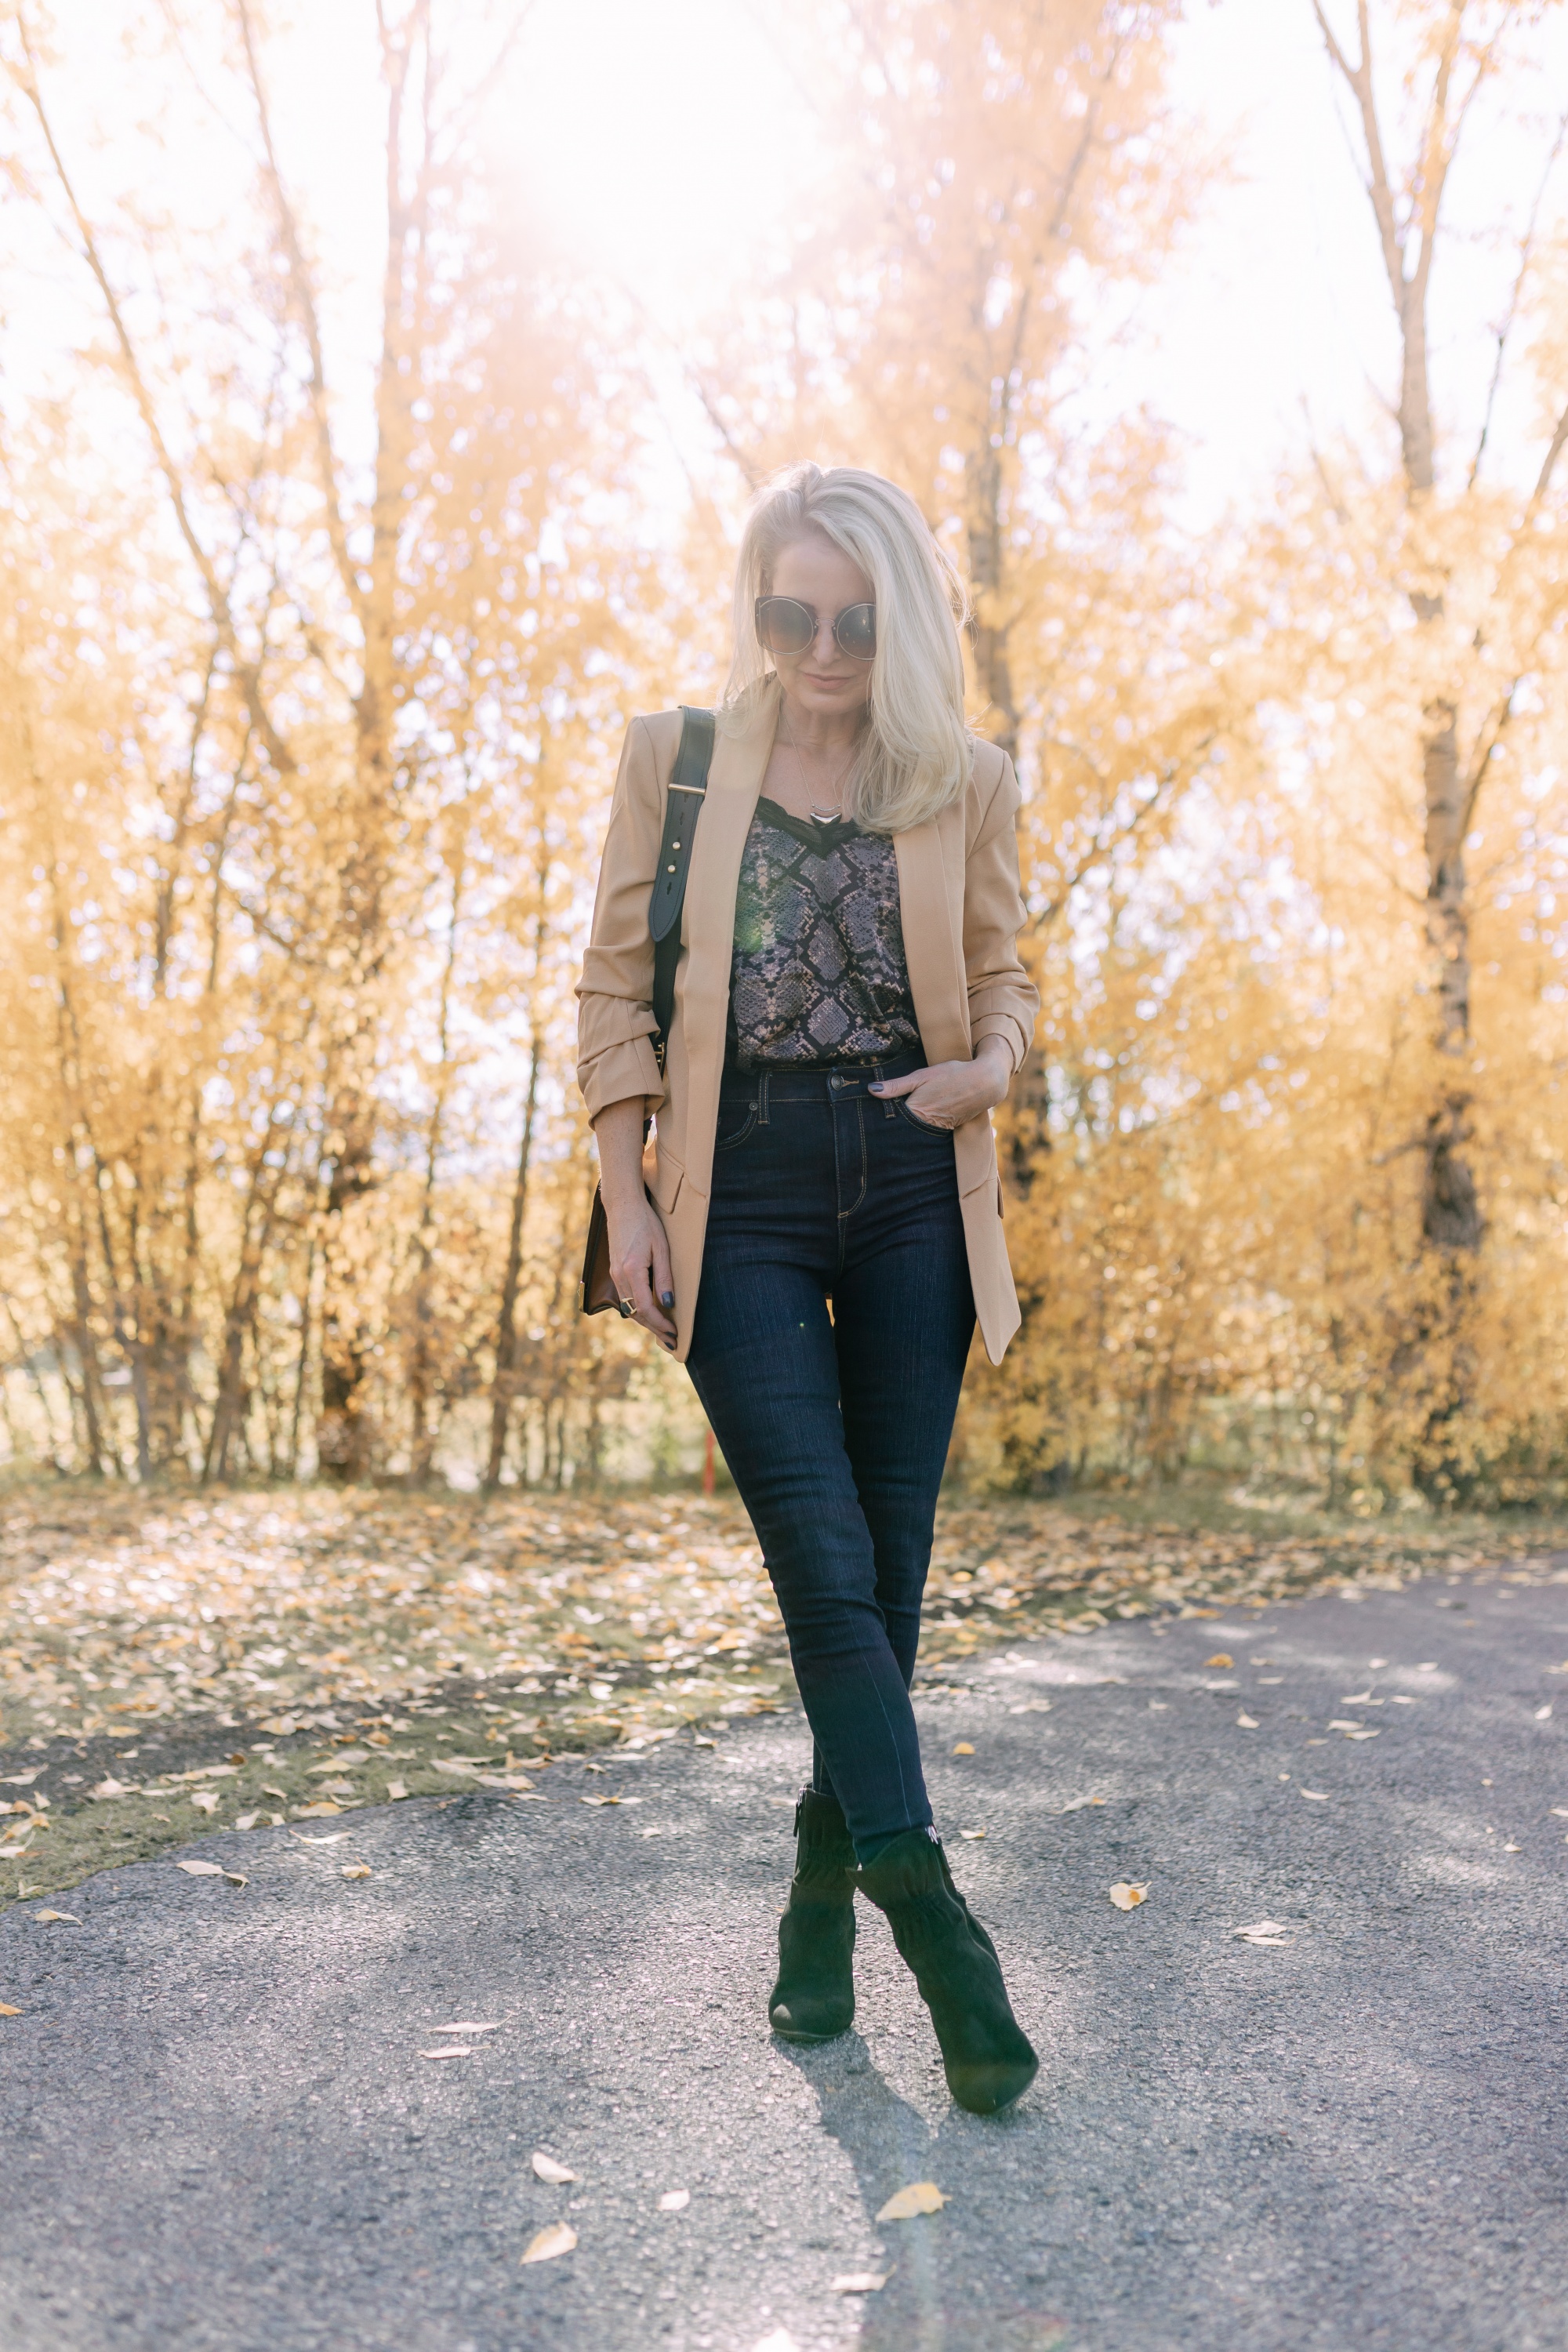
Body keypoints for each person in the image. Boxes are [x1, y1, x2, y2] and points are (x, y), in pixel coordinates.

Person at [576, 463, 1040, 2115]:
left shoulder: (962, 777)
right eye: (793, 615)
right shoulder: (677, 760)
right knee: (824, 1566)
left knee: (887, 1578)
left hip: (914, 1177)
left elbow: (1001, 977)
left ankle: (814, 1899)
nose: (822, 647)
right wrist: (626, 1197)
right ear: (756, 609)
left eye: (852, 618)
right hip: (742, 1190)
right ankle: (933, 1926)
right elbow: (613, 987)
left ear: (895, 618)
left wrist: (986, 1071)